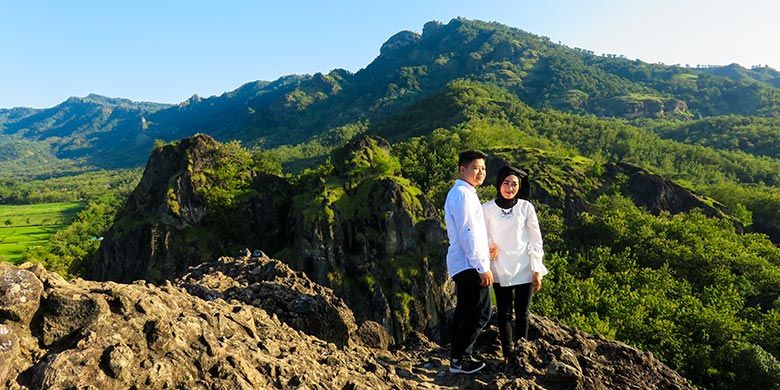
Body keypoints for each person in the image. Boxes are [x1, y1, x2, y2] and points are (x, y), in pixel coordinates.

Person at [483, 165, 547, 362]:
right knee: (503, 312)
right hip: (499, 266)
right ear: (498, 184)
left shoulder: (526, 208)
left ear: (519, 187)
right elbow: (480, 233)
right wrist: (487, 247)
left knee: (523, 311)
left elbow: (536, 239)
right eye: (506, 183)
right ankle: (508, 352)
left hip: (524, 266)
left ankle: (522, 349)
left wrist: (537, 269)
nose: (510, 187)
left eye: (514, 184)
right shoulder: (486, 208)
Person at [444, 150, 493, 374]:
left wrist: (486, 249)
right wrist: (482, 266)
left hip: (463, 262)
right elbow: (468, 231)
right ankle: (461, 359)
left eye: (483, 168)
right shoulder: (463, 195)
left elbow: (471, 232)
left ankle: (457, 357)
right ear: (462, 169)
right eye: (475, 168)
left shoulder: (463, 192)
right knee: (480, 312)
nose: (480, 172)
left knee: (465, 311)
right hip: (468, 264)